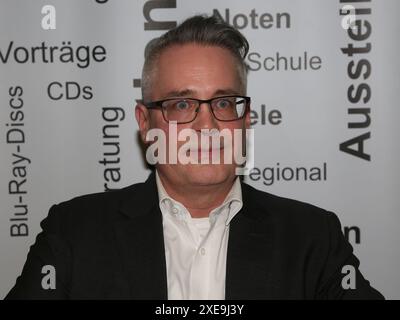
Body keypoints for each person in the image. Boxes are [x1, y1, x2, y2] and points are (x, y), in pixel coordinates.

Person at [6, 15, 383, 300]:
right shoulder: (74, 232)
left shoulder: (312, 237)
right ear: (144, 120)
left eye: (223, 102)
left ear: (245, 119)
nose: (207, 126)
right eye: (182, 104)